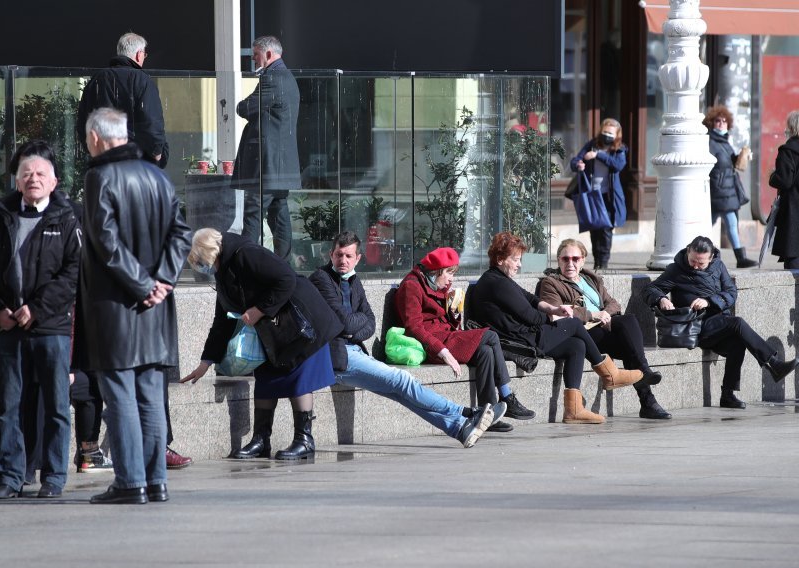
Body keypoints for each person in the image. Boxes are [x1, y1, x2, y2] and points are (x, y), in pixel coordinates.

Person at [76, 107, 191, 504]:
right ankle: (155, 480)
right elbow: (182, 233)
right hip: (155, 308)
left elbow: (105, 244)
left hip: (115, 308)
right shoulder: (157, 176)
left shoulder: (99, 177)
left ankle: (130, 482)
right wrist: (163, 281)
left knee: (120, 396)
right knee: (149, 394)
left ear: (95, 138)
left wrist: (144, 285)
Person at [310, 231, 504, 449]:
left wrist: (350, 329)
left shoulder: (354, 280)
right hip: (335, 357)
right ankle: (464, 412)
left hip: (352, 350)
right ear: (330, 254)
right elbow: (345, 322)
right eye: (338, 255)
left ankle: (459, 428)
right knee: (402, 381)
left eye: (348, 256)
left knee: (399, 392)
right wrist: (350, 326)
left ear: (358, 258)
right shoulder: (320, 279)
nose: (343, 261)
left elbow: (370, 323)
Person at [181, 228, 343, 461]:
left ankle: (304, 440)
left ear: (209, 253)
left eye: (199, 261)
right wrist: (206, 362)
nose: (200, 267)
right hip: (275, 331)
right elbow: (222, 320)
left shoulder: (245, 254)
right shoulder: (222, 270)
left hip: (302, 325)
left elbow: (286, 278)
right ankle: (260, 440)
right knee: (266, 378)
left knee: (300, 378)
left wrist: (259, 310)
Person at [468, 233, 646, 424]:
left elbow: (531, 299)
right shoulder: (497, 284)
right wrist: (559, 316)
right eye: (516, 260)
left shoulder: (499, 279)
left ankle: (574, 410)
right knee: (574, 324)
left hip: (523, 335)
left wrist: (554, 308)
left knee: (576, 346)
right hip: (520, 339)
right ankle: (610, 374)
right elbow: (532, 318)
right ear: (500, 259)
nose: (519, 265)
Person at [0, 140, 81, 499]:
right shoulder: (3, 216)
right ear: (17, 181)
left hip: (51, 327)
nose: (33, 179)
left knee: (56, 406)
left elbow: (74, 272)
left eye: (40, 174)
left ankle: (53, 476)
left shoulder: (67, 219)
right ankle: (10, 476)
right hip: (8, 327)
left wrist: (37, 308)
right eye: (26, 174)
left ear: (54, 181)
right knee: (7, 407)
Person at [641, 236, 798, 409]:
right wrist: (661, 298)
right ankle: (774, 364)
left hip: (718, 323)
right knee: (737, 323)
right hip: (695, 326)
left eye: (701, 263)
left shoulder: (718, 266)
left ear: (711, 258)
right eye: (692, 260)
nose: (695, 265)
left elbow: (731, 293)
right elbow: (650, 289)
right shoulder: (676, 270)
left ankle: (727, 395)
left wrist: (709, 301)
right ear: (688, 251)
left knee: (737, 344)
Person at [395, 247, 534, 433]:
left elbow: (443, 320)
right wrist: (442, 352)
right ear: (437, 270)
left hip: (446, 336)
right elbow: (413, 327)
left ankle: (488, 413)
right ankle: (506, 395)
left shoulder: (436, 284)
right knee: (490, 336)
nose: (451, 278)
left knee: (485, 352)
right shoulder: (411, 285)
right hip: (432, 344)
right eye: (449, 273)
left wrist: (454, 312)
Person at [538, 238, 671, 420]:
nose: (570, 263)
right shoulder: (551, 283)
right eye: (565, 259)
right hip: (585, 334)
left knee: (629, 325)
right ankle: (646, 389)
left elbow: (614, 304)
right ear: (558, 260)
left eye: (575, 259)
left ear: (583, 259)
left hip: (604, 329)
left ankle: (646, 394)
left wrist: (605, 314)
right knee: (628, 337)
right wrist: (594, 315)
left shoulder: (590, 278)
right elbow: (559, 314)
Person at [232, 35, 300, 258]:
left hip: (267, 165)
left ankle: (245, 262)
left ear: (268, 54)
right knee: (278, 213)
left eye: (256, 54)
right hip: (278, 165)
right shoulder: (285, 77)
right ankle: (283, 263)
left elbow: (245, 108)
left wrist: (244, 104)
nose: (253, 58)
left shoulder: (273, 78)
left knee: (253, 214)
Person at [77, 32, 168, 167]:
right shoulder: (143, 81)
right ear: (139, 54)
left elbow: (83, 122)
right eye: (144, 54)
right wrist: (156, 154)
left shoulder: (96, 80)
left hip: (102, 160)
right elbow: (151, 122)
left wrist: (93, 152)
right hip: (135, 163)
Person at [569, 118, 628, 270]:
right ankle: (597, 263)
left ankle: (604, 264)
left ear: (617, 135)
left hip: (609, 196)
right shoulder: (592, 144)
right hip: (592, 195)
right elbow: (575, 160)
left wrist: (598, 155)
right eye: (605, 132)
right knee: (594, 228)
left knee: (606, 230)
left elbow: (618, 166)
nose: (607, 135)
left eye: (610, 133)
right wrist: (578, 164)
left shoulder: (619, 149)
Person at [703, 105, 757, 268]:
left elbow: (729, 163)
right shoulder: (710, 142)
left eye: (724, 121)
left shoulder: (724, 142)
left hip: (727, 191)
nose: (721, 124)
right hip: (719, 191)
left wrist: (741, 157)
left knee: (712, 225)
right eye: (717, 121)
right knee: (716, 225)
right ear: (712, 123)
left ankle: (740, 258)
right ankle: (740, 258)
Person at [768, 110, 799, 270]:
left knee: (794, 261)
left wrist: (772, 176)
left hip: (794, 215)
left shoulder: (789, 151)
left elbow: (784, 180)